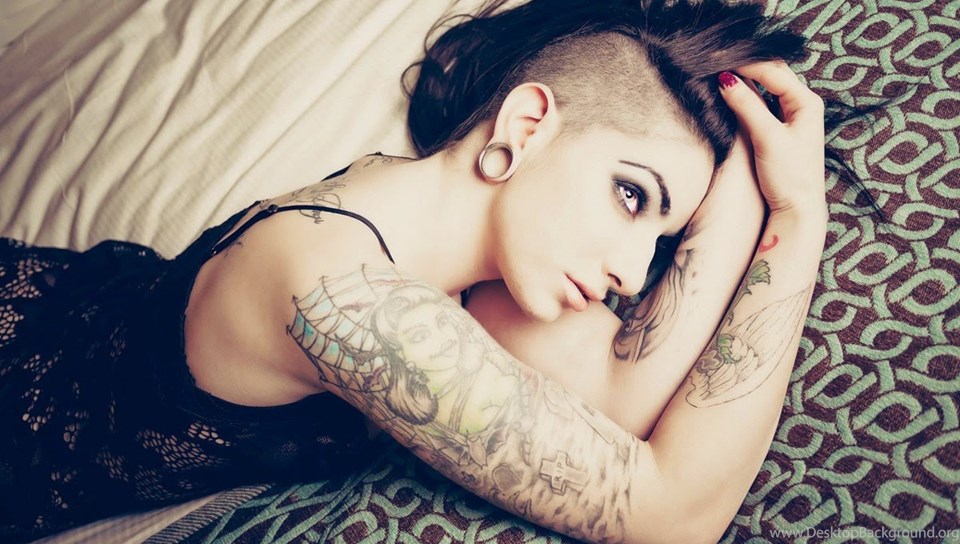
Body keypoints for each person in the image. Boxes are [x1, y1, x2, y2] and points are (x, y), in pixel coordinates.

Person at [0, 0, 877, 542]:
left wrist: (744, 182)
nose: (628, 271)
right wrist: (800, 220)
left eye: (660, 237)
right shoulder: (340, 293)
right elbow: (670, 515)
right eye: (630, 195)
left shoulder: (468, 264)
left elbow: (622, 403)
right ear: (526, 126)